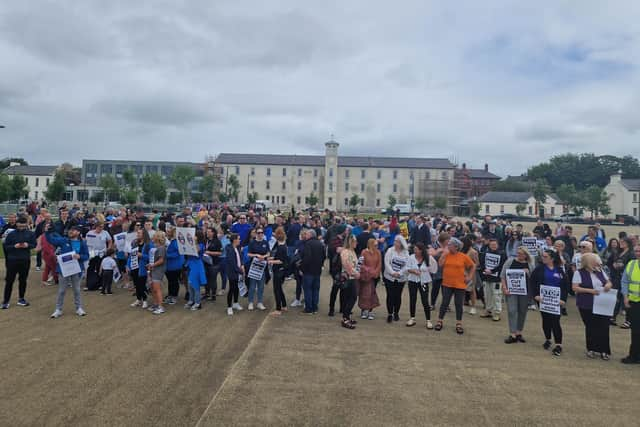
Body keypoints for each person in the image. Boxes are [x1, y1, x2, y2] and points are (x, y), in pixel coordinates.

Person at [572, 253, 613, 360]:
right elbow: (575, 288)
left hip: (602, 304)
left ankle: (604, 350)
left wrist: (608, 285)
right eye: (594, 260)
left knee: (604, 326)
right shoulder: (579, 272)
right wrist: (590, 291)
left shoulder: (600, 271)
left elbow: (608, 281)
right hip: (586, 304)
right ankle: (591, 349)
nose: (597, 262)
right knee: (591, 327)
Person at [531, 249, 570, 356]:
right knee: (546, 320)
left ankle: (558, 345)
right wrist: (535, 295)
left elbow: (566, 286)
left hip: (556, 301)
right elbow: (532, 282)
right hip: (543, 300)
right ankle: (548, 339)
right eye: (542, 256)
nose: (543, 258)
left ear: (552, 258)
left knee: (555, 321)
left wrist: (563, 299)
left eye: (545, 257)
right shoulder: (539, 269)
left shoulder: (559, 270)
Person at [45, 225, 90, 318]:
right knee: (61, 290)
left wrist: (80, 256)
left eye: (73, 230)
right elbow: (51, 240)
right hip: (64, 269)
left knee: (77, 290)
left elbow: (87, 255)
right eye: (70, 230)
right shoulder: (64, 240)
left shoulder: (82, 243)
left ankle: (79, 308)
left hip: (76, 269)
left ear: (78, 232)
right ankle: (58, 309)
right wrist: (47, 232)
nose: (70, 232)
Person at [435, 238, 475, 334]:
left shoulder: (463, 256)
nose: (448, 246)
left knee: (458, 304)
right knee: (444, 303)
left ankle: (459, 323)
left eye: (450, 245)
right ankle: (440, 321)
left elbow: (473, 265)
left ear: (456, 247)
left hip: (460, 284)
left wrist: (469, 277)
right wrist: (443, 255)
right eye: (448, 245)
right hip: (447, 283)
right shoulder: (446, 255)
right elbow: (440, 264)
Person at [501, 246, 535, 343]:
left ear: (526, 255)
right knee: (512, 311)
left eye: (522, 254)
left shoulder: (530, 265)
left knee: (522, 311)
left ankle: (519, 332)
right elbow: (503, 275)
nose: (519, 255)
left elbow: (534, 279)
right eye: (518, 253)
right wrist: (504, 288)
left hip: (525, 292)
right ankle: (512, 333)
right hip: (511, 291)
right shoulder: (510, 261)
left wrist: (528, 273)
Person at [2, 216, 37, 309]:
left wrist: (27, 245)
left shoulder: (30, 234)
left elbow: (34, 244)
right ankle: (6, 301)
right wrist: (14, 246)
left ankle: (21, 298)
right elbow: (6, 247)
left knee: (23, 280)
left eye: (23, 226)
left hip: (25, 260)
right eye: (19, 226)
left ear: (26, 225)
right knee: (9, 281)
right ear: (17, 225)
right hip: (12, 260)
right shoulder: (11, 234)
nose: (21, 228)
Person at [406, 242, 437, 329]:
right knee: (412, 299)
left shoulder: (429, 258)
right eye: (414, 249)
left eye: (416, 249)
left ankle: (428, 320)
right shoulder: (411, 257)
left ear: (421, 250)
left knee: (425, 300)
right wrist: (414, 271)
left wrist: (426, 272)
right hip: (412, 281)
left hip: (424, 282)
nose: (415, 251)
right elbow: (407, 268)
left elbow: (434, 269)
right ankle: (412, 318)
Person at [383, 235, 410, 323]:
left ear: (401, 243)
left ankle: (396, 313)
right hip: (389, 277)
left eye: (397, 241)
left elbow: (407, 265)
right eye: (395, 241)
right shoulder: (390, 250)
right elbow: (386, 263)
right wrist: (392, 273)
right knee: (390, 295)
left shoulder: (406, 252)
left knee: (398, 296)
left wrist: (399, 273)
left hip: (401, 278)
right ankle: (390, 314)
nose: (395, 243)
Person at [620, 244, 640, 364]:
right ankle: (634, 356)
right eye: (637, 251)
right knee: (636, 331)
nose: (638, 253)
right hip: (634, 302)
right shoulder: (631, 264)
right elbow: (625, 281)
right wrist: (625, 297)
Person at [480, 238, 506, 321]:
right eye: (492, 245)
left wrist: (492, 270)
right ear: (489, 245)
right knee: (487, 295)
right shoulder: (485, 253)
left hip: (496, 279)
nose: (493, 246)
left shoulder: (502, 254)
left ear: (497, 245)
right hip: (486, 277)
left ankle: (497, 313)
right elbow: (482, 263)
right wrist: (485, 269)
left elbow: (502, 266)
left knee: (496, 295)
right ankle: (488, 310)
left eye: (495, 245)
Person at [301, 229, 325, 314]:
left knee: (308, 289)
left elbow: (307, 258)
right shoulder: (320, 244)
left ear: (310, 235)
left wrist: (302, 268)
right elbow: (323, 256)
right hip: (317, 270)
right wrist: (320, 265)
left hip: (308, 271)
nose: (305, 236)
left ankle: (309, 308)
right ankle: (315, 307)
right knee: (315, 289)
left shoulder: (308, 244)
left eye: (307, 234)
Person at [358, 238, 381, 320]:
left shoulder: (378, 252)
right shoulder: (364, 252)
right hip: (366, 276)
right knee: (364, 293)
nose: (376, 246)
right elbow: (361, 264)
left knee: (372, 293)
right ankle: (363, 310)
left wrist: (375, 272)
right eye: (375, 245)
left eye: (377, 245)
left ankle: (371, 310)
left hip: (374, 276)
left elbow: (379, 264)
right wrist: (369, 271)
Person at [339, 234, 360, 329]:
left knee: (351, 297)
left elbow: (354, 264)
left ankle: (346, 316)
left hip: (352, 278)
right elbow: (346, 265)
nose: (357, 243)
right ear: (350, 242)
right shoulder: (345, 252)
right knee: (351, 297)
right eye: (355, 241)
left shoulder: (352, 251)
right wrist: (354, 273)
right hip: (348, 278)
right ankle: (345, 318)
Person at [84, 222, 113, 291]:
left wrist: (108, 249)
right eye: (100, 227)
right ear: (96, 227)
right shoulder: (90, 233)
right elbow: (86, 242)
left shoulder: (105, 233)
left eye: (102, 227)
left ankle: (100, 284)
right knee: (91, 267)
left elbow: (110, 241)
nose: (101, 228)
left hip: (102, 253)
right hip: (92, 253)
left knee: (100, 268)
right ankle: (89, 284)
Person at [247, 227, 270, 311]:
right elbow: (249, 254)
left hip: (262, 267)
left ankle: (260, 302)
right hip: (253, 267)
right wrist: (256, 255)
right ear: (256, 233)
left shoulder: (265, 242)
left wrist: (263, 256)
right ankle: (250, 302)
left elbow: (268, 253)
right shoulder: (252, 243)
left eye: (261, 233)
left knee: (261, 286)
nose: (260, 234)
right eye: (258, 233)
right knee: (252, 286)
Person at [268, 227, 288, 316]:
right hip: (282, 270)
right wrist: (271, 258)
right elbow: (279, 257)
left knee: (276, 290)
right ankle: (284, 305)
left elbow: (280, 260)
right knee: (279, 289)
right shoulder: (283, 246)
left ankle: (278, 309)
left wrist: (270, 261)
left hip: (278, 271)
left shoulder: (280, 247)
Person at [185, 230, 207, 311]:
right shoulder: (193, 243)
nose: (193, 236)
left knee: (195, 285)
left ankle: (197, 303)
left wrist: (193, 242)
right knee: (190, 284)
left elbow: (195, 251)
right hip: (190, 264)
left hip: (197, 265)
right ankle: (191, 300)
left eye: (195, 235)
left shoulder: (201, 245)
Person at [129, 229, 151, 309]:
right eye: (137, 233)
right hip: (134, 266)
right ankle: (138, 299)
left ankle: (145, 300)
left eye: (139, 233)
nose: (137, 234)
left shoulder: (148, 244)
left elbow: (151, 257)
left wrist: (142, 255)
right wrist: (128, 265)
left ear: (144, 234)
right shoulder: (135, 243)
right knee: (136, 284)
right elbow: (131, 255)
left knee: (141, 284)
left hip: (142, 267)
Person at [147, 232, 167, 314]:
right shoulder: (157, 247)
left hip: (158, 270)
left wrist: (152, 265)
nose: (153, 237)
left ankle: (160, 306)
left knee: (157, 289)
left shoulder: (161, 248)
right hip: (154, 269)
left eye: (154, 236)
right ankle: (156, 304)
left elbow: (161, 260)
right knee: (153, 288)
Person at [164, 227, 184, 305]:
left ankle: (174, 296)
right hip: (170, 265)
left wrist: (166, 255)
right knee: (171, 281)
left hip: (175, 265)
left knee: (174, 282)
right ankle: (170, 295)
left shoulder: (176, 242)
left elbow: (178, 253)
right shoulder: (172, 241)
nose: (167, 233)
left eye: (168, 231)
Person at [225, 233, 244, 315]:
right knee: (232, 289)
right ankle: (229, 307)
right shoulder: (229, 250)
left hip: (238, 272)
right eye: (239, 239)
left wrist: (242, 265)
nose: (240, 240)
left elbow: (240, 257)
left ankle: (235, 303)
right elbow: (233, 264)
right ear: (234, 240)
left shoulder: (238, 248)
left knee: (236, 288)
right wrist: (241, 271)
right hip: (232, 273)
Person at [204, 227, 223, 301]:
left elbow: (220, 253)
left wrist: (210, 253)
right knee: (206, 278)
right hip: (206, 262)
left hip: (214, 263)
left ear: (213, 233)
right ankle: (207, 293)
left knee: (213, 279)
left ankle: (213, 295)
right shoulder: (206, 240)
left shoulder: (217, 241)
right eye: (207, 232)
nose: (207, 233)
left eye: (209, 232)